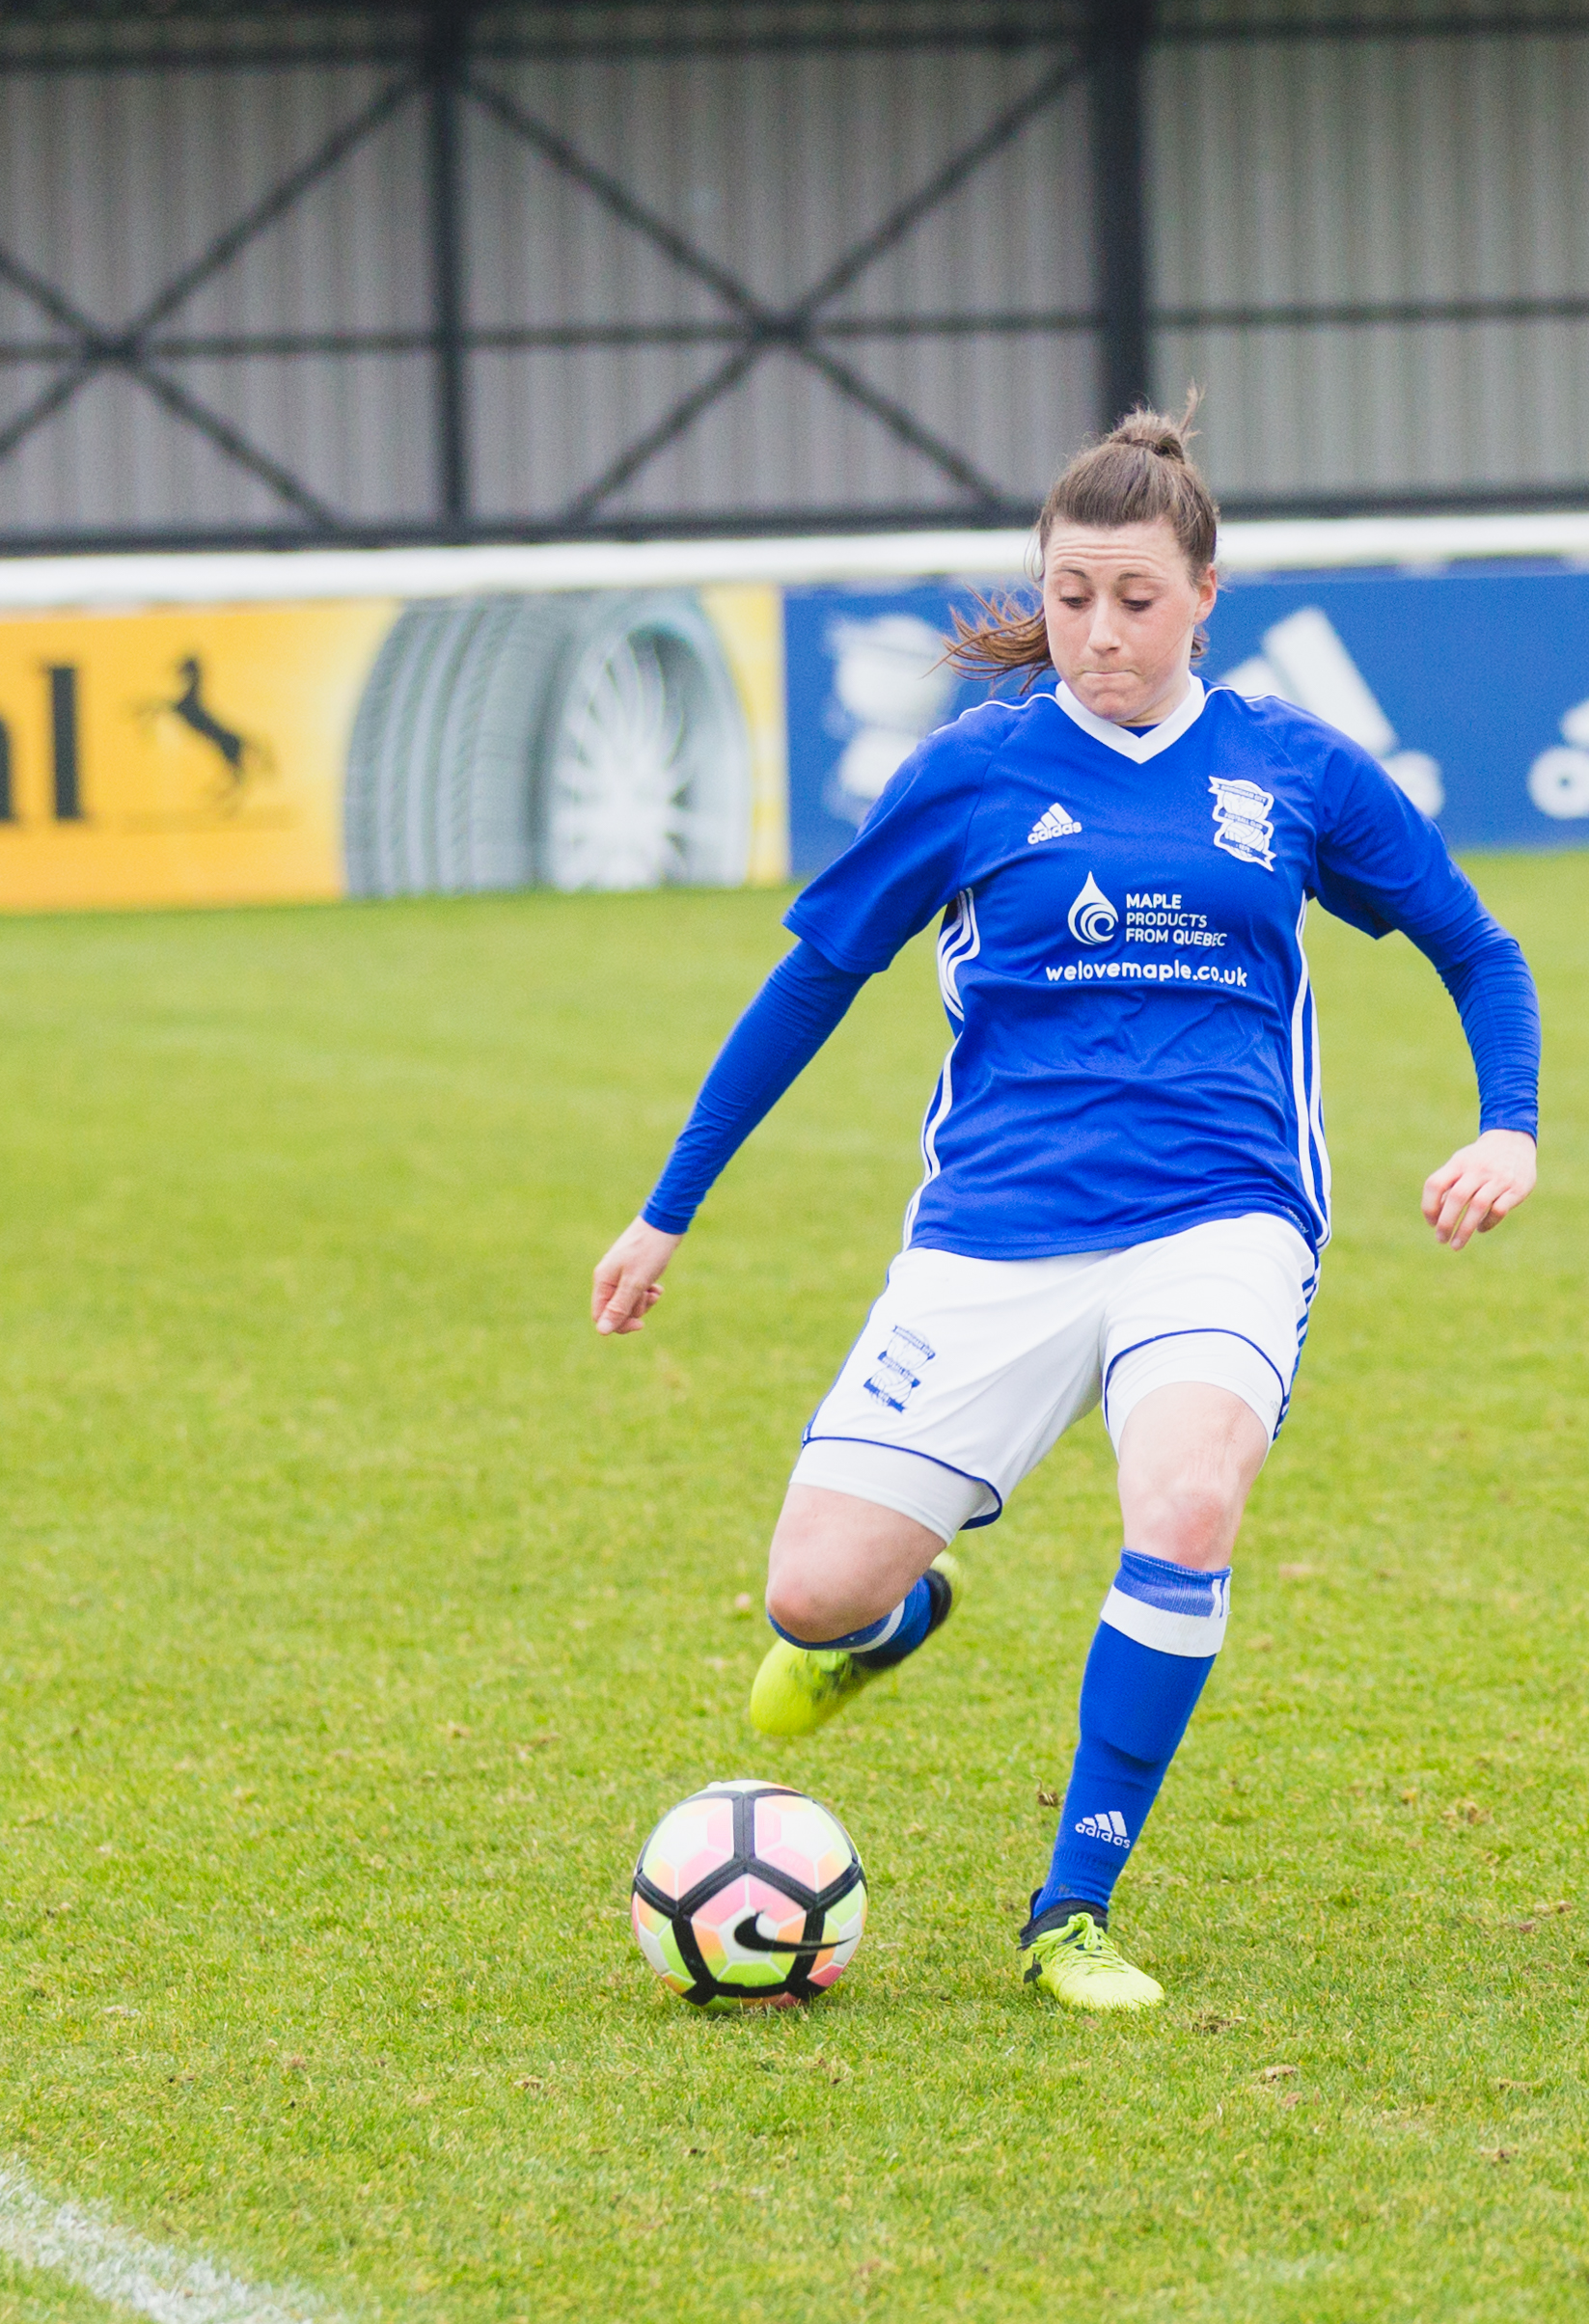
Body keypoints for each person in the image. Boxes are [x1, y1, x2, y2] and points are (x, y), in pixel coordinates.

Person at [589, 407, 1541, 2014]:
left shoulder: (1288, 768)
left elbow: (1476, 943)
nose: (1101, 631)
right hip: (994, 1233)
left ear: (1204, 594)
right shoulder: (973, 771)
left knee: (1183, 1502)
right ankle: (898, 1612)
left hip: (1221, 1219)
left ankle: (1070, 1905)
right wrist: (667, 1205)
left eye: (1136, 598)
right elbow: (811, 980)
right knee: (810, 1592)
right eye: (1074, 594)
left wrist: (1504, 1123)